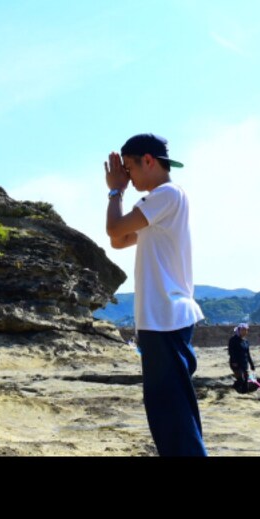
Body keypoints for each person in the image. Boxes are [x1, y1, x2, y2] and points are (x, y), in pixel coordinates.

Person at [105, 133, 207, 457]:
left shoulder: (165, 195)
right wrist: (120, 194)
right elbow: (119, 240)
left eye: (129, 168)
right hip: (163, 319)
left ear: (148, 161)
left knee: (172, 416)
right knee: (171, 413)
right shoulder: (161, 204)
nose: (127, 175)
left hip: (165, 318)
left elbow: (114, 229)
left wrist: (115, 191)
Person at [227, 323, 259, 392]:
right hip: (235, 363)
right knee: (241, 379)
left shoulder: (246, 341)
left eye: (246, 330)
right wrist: (234, 361)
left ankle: (245, 393)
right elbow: (231, 352)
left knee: (246, 380)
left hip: (244, 362)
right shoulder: (233, 339)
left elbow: (248, 353)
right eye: (243, 330)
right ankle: (230, 391)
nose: (245, 332)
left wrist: (251, 364)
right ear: (238, 330)